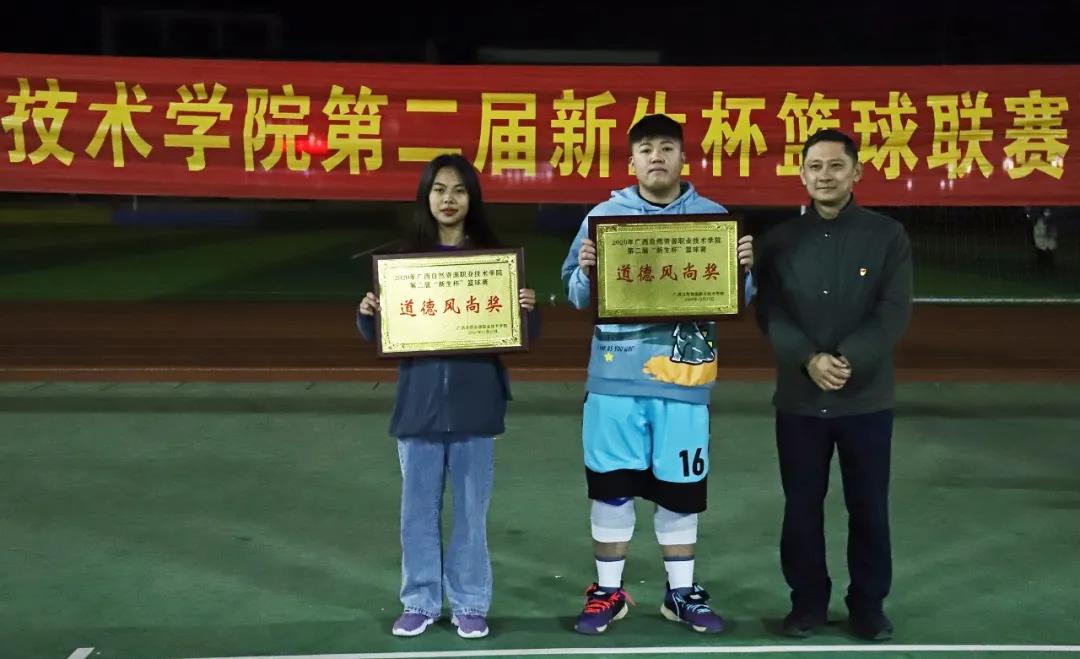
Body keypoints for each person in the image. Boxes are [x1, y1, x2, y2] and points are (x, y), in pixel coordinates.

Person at [560, 114, 754, 635]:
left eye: (667, 147)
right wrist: (586, 270)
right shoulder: (604, 217)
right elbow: (575, 294)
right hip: (614, 382)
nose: (657, 156)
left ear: (683, 158)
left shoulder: (714, 219)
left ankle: (680, 593)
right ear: (632, 162)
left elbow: (741, 299)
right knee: (611, 489)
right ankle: (608, 592)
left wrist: (742, 269)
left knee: (680, 490)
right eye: (646, 149)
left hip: (684, 386)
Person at [356, 153, 539, 639]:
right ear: (427, 197)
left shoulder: (493, 261)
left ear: (471, 198)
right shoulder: (403, 263)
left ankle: (470, 602)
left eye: (459, 190)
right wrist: (370, 313)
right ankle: (419, 601)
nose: (449, 199)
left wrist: (526, 310)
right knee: (416, 514)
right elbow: (381, 336)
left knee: (471, 515)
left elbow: (520, 334)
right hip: (417, 409)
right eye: (439, 189)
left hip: (476, 409)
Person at [754, 128, 913, 641]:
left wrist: (845, 359)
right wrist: (807, 359)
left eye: (836, 165)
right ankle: (807, 604)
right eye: (815, 166)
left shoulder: (888, 236)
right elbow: (770, 311)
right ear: (802, 175)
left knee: (869, 508)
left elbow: (893, 311)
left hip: (866, 400)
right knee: (801, 509)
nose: (825, 175)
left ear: (856, 172)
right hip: (800, 401)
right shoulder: (778, 241)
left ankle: (868, 606)